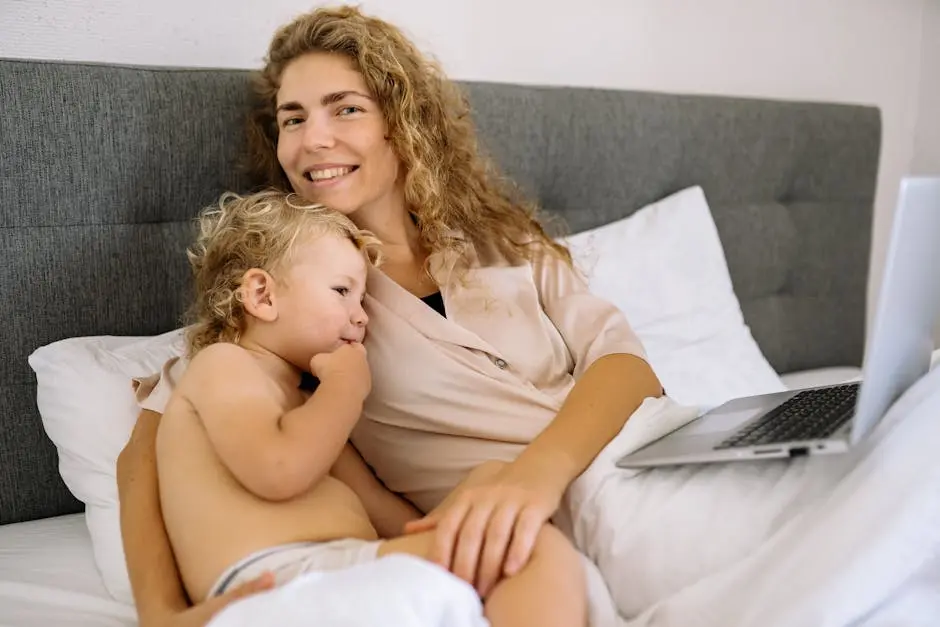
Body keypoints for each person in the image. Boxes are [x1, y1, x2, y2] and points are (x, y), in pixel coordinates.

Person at [117, 5, 663, 626]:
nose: (313, 138)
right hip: (541, 525)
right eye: (292, 119)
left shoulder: (503, 243)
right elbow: (146, 453)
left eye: (345, 107)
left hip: (634, 457)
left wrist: (534, 474)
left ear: (401, 122)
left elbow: (628, 367)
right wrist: (162, 616)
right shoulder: (305, 302)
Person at [154, 188, 587, 626]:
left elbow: (377, 505)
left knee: (491, 503)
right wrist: (346, 387)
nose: (361, 316)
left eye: (361, 299)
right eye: (341, 291)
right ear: (262, 296)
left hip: (348, 569)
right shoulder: (223, 366)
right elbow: (280, 469)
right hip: (281, 582)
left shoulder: (306, 405)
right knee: (527, 549)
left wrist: (464, 514)